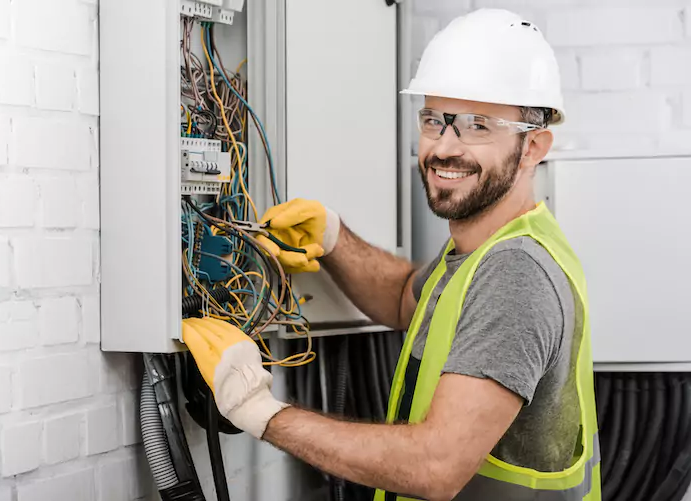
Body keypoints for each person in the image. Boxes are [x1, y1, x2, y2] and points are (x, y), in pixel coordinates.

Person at [182, 9, 600, 501]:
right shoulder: (481, 250)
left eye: (477, 126)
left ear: (533, 147)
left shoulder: (515, 272)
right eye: (433, 120)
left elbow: (435, 466)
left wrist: (259, 411)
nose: (444, 147)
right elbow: (407, 299)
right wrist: (334, 237)